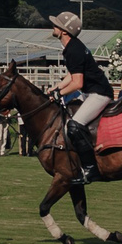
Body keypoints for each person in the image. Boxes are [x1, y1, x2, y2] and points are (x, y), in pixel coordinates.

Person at [47, 12, 112, 185]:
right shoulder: (72, 47)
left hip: (98, 94)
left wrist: (59, 94)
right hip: (91, 92)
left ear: (64, 31)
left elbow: (77, 82)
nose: (53, 27)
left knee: (73, 126)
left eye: (57, 25)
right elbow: (71, 75)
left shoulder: (73, 49)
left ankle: (91, 169)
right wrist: (56, 87)